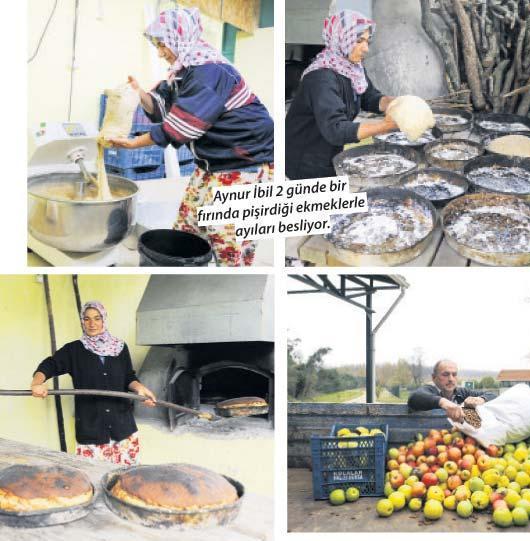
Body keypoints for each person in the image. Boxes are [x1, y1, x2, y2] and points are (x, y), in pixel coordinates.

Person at [110, 7, 274, 267]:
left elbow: (182, 126)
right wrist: (138, 92)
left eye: (163, 45)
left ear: (180, 38)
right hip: (213, 161)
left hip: (246, 160)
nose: (161, 53)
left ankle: (231, 278)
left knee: (225, 231)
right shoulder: (184, 72)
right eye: (157, 46)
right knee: (189, 222)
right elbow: (162, 105)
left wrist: (134, 143)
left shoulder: (210, 71)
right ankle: (190, 267)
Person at [30, 301, 156, 465]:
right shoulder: (74, 350)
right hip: (92, 431)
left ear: (104, 319)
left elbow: (128, 377)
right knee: (94, 479)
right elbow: (48, 366)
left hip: (123, 429)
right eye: (87, 319)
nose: (92, 324)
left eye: (97, 318)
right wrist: (36, 383)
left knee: (125, 481)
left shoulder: (120, 347)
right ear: (82, 321)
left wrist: (140, 389)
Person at [285, 9, 397, 180]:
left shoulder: (352, 68)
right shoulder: (321, 77)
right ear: (341, 39)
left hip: (328, 152)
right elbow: (336, 130)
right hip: (306, 160)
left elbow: (368, 97)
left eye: (367, 41)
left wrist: (394, 103)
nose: (366, 48)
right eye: (359, 41)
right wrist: (386, 125)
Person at [407, 360, 497, 422]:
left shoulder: (462, 393)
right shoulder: (429, 390)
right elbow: (414, 397)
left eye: (454, 374)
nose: (451, 379)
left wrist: (481, 399)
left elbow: (492, 395)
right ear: (434, 378)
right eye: (445, 374)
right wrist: (443, 402)